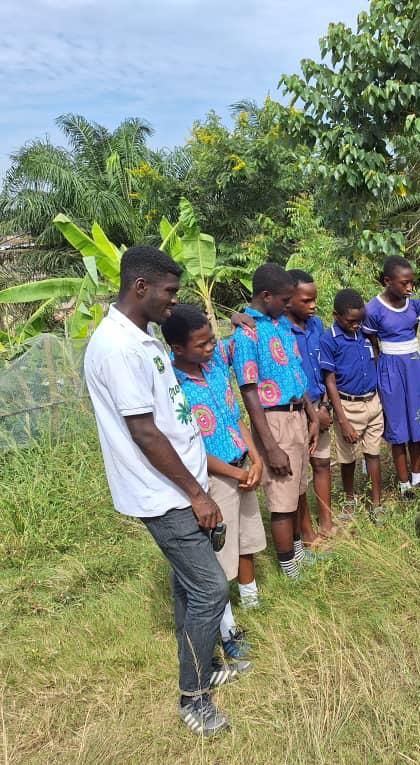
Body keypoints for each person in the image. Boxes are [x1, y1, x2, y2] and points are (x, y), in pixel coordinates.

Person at [84, 246, 244, 737]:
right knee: (210, 589)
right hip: (164, 494)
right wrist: (198, 493)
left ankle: (206, 666)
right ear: (140, 287)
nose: (173, 304)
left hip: (178, 486)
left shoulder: (141, 338)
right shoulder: (118, 347)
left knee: (187, 586)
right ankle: (193, 698)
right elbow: (146, 433)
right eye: (169, 293)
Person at [165, 304, 265, 660]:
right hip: (215, 478)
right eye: (202, 344)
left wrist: (255, 459)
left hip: (244, 466)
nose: (210, 347)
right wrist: (237, 473)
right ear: (177, 348)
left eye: (211, 340)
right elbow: (187, 447)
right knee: (219, 558)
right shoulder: (172, 386)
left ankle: (252, 600)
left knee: (246, 538)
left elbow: (235, 419)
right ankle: (229, 632)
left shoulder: (217, 364)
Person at [232, 264, 319, 578]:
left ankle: (297, 554)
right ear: (266, 296)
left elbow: (297, 372)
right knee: (282, 502)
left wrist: (311, 416)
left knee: (296, 492)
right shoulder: (246, 334)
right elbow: (249, 393)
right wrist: (270, 447)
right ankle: (289, 571)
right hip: (274, 422)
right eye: (284, 299)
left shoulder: (280, 324)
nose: (288, 305)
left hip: (295, 415)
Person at [363, 256, 420, 497]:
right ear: (387, 281)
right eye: (404, 283)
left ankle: (417, 478)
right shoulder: (373, 309)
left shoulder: (414, 304)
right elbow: (373, 344)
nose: (409, 288)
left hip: (414, 367)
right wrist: (379, 375)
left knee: (417, 422)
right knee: (398, 427)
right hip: (390, 369)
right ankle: (404, 484)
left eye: (411, 283)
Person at [320, 289, 386, 515]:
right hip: (348, 406)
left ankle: (376, 503)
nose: (357, 325)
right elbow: (330, 382)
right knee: (348, 457)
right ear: (336, 315)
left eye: (360, 320)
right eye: (351, 321)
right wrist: (343, 420)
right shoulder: (330, 340)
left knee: (374, 452)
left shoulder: (365, 334)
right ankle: (350, 498)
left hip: (373, 402)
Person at [285, 270, 336, 539]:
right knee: (300, 473)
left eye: (314, 300)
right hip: (296, 412)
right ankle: (307, 533)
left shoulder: (316, 326)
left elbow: (326, 367)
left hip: (321, 405)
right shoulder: (280, 331)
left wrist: (325, 408)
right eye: (306, 301)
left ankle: (326, 521)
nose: (313, 306)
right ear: (288, 299)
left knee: (322, 463)